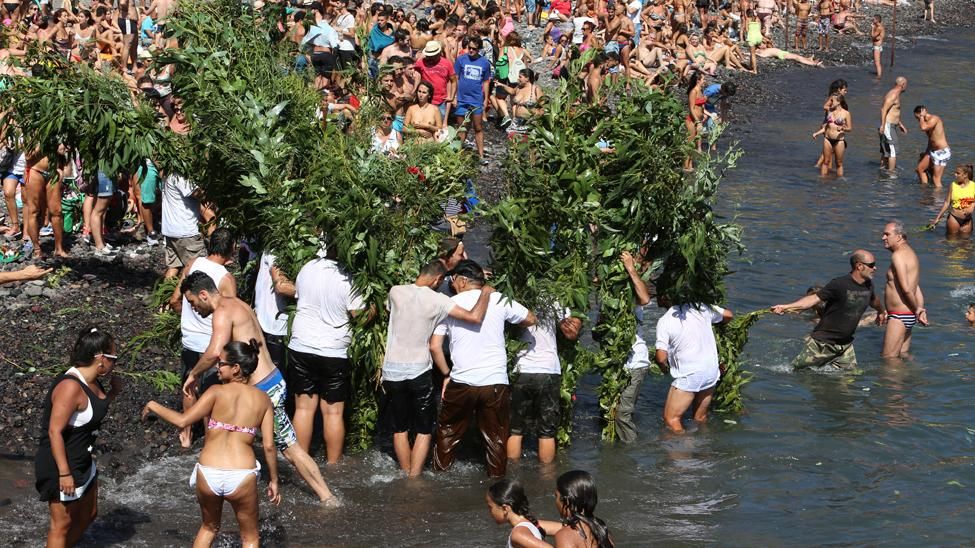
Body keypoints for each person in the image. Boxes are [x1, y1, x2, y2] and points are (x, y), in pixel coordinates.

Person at [179, 271, 337, 504]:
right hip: (270, 380)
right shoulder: (237, 303)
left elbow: (214, 351)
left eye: (192, 303)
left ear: (203, 294)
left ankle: (327, 498)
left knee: (290, 448)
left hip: (265, 388)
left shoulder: (222, 312)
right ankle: (231, 482)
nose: (194, 309)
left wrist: (193, 374)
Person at [143, 340, 280, 548]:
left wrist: (153, 405)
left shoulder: (216, 392)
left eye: (221, 363)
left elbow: (182, 421)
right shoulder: (263, 400)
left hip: (208, 472)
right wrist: (274, 480)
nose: (217, 366)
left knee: (209, 528)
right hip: (241, 474)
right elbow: (269, 445)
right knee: (250, 538)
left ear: (236, 368)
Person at [382, 260, 495, 478]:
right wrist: (486, 292)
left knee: (400, 428)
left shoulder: (395, 291)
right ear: (437, 280)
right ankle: (414, 478)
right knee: (424, 429)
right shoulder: (439, 300)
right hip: (419, 371)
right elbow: (474, 317)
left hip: (391, 371)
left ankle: (404, 473)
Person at [430, 260, 536, 478]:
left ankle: (439, 478)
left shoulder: (449, 304)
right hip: (495, 381)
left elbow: (434, 346)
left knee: (448, 434)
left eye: (452, 279)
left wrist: (446, 374)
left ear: (461, 280)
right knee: (496, 438)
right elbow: (531, 318)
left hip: (462, 381)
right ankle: (497, 484)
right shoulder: (498, 299)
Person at [35, 327, 122, 548]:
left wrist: (112, 394)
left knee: (89, 515)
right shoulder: (70, 387)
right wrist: (64, 474)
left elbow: (90, 412)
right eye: (113, 357)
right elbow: (54, 431)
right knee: (61, 525)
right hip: (61, 465)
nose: (115, 362)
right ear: (101, 359)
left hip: (83, 461)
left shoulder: (93, 380)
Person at [287, 249, 368, 464]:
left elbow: (299, 297)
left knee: (303, 408)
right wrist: (375, 310)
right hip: (333, 350)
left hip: (301, 344)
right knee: (333, 413)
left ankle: (301, 463)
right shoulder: (348, 276)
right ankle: (333, 467)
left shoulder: (307, 267)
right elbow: (358, 315)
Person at [169, 228, 237, 448]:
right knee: (210, 392)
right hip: (212, 344)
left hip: (189, 338)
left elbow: (174, 300)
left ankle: (186, 435)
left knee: (188, 386)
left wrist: (186, 319)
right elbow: (230, 314)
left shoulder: (192, 265)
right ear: (231, 249)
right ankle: (211, 442)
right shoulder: (225, 278)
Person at [771, 250, 884, 369]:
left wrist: (881, 311)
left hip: (845, 346)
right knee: (793, 372)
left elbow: (873, 299)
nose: (875, 268)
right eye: (871, 265)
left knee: (849, 378)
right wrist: (787, 307)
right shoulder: (839, 284)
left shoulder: (868, 285)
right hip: (822, 344)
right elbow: (813, 299)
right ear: (859, 266)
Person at [507, 302, 581, 464]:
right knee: (546, 431)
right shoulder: (554, 298)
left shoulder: (514, 296)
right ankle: (546, 479)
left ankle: (512, 474)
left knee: (515, 429)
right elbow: (571, 333)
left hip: (521, 369)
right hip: (547, 370)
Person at [654, 296, 733, 433]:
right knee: (700, 417)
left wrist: (665, 369)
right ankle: (704, 451)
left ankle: (684, 451)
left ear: (664, 298)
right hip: (711, 371)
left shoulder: (665, 320)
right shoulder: (701, 307)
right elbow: (728, 315)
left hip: (690, 374)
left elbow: (661, 358)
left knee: (671, 420)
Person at [613, 251, 652, 443]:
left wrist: (630, 268)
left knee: (622, 415)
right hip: (615, 363)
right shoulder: (611, 297)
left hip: (634, 362)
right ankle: (615, 459)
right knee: (611, 414)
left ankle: (630, 456)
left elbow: (645, 299)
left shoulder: (634, 294)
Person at [881, 220, 928, 358]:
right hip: (908, 315)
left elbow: (907, 289)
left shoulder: (898, 256)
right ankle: (910, 379)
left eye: (887, 234)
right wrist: (919, 309)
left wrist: (918, 310)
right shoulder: (911, 253)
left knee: (889, 361)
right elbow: (916, 286)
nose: (883, 237)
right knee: (903, 356)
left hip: (899, 316)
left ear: (899, 236)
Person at [542, 470, 614, 548]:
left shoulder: (565, 535)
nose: (555, 501)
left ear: (566, 500)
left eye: (556, 496)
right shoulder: (601, 530)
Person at [453, 36, 493, 163]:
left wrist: (486, 99)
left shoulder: (484, 63)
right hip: (462, 98)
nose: (471, 51)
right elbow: (456, 79)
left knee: (478, 126)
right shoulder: (460, 60)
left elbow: (486, 82)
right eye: (469, 48)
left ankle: (480, 155)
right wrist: (454, 96)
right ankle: (457, 154)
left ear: (479, 49)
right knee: (462, 127)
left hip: (476, 99)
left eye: (474, 49)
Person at [161, 172, 205, 279]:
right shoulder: (179, 176)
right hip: (186, 232)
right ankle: (181, 295)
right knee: (197, 271)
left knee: (174, 267)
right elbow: (197, 193)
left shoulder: (168, 174)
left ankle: (164, 295)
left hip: (171, 230)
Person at [486, 479, 549, 548]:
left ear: (505, 508)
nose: (489, 511)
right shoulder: (531, 523)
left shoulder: (518, 534)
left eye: (490, 507)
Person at [414, 40, 456, 122]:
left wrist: (452, 96)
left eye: (433, 55)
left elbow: (453, 80)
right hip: (425, 100)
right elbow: (417, 77)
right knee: (423, 123)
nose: (430, 57)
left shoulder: (447, 63)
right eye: (429, 55)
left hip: (440, 100)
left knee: (439, 125)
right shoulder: (421, 62)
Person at [929, 165, 975, 236]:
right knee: (952, 242)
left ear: (965, 175)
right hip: (954, 218)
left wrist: (972, 206)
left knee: (966, 243)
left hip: (967, 220)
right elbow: (947, 202)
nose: (955, 175)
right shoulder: (953, 185)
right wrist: (937, 218)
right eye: (955, 173)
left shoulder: (973, 186)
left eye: (958, 173)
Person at [914, 105, 951, 187]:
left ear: (923, 113)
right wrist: (927, 153)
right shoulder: (924, 122)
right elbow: (931, 140)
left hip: (942, 152)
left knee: (936, 179)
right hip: (932, 151)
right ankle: (925, 191)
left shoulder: (934, 119)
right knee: (920, 169)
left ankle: (938, 198)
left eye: (917, 118)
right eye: (917, 118)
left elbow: (923, 127)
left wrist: (921, 117)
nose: (918, 120)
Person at [879, 77, 908, 172]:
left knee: (885, 151)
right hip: (888, 126)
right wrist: (883, 125)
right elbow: (883, 109)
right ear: (902, 85)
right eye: (906, 85)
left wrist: (900, 124)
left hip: (890, 125)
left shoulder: (894, 94)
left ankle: (882, 171)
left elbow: (892, 111)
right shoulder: (893, 95)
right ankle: (891, 175)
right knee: (893, 151)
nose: (906, 87)